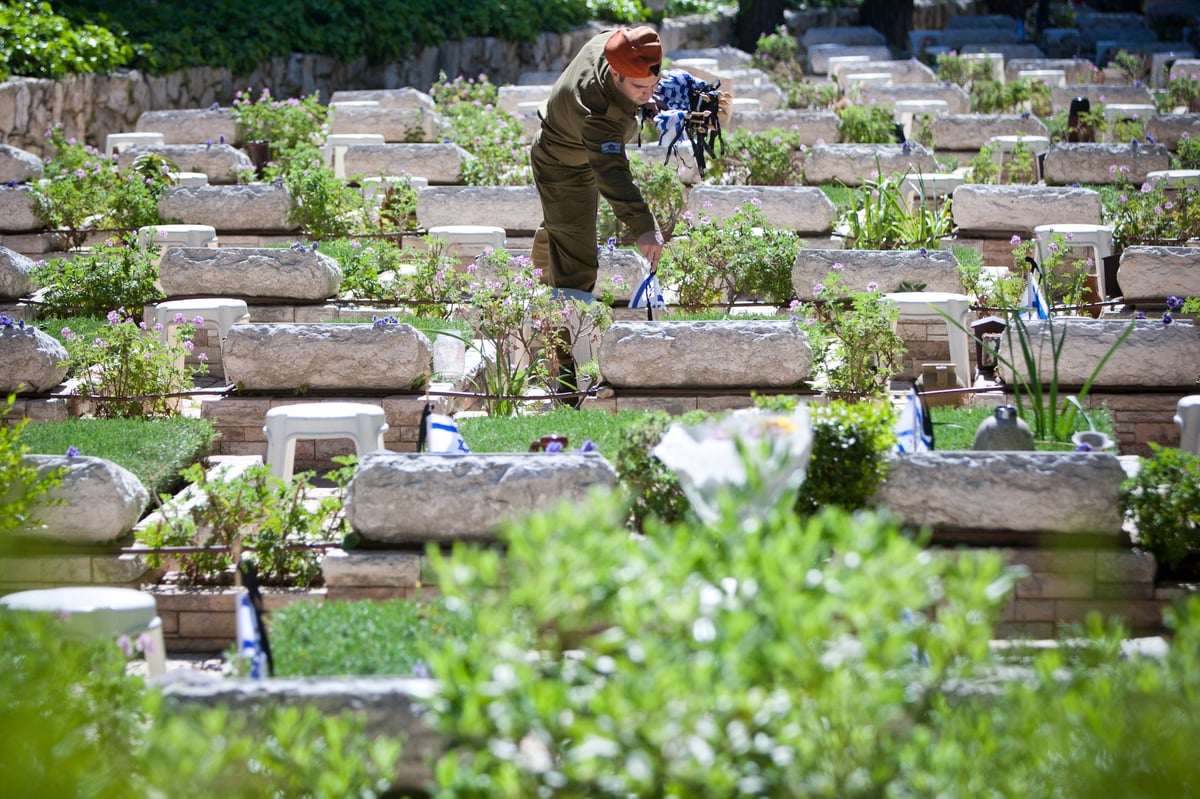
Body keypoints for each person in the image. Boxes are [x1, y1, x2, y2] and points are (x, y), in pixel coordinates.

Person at [530, 25, 667, 405]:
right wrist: (644, 226)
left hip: (574, 146)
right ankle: (566, 376)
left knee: (562, 231)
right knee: (578, 265)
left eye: (651, 84)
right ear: (616, 74)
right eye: (638, 89)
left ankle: (535, 290)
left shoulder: (619, 44)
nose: (647, 93)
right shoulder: (600, 111)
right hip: (563, 164)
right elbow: (611, 173)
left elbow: (639, 60)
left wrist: (645, 98)